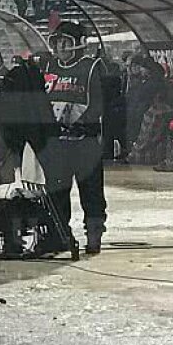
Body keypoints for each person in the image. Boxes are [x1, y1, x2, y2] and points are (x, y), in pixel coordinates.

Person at [42, 21, 109, 254]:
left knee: (91, 191)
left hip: (85, 143)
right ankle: (59, 234)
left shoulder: (92, 67)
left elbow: (100, 104)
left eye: (66, 42)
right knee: (57, 191)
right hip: (57, 143)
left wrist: (81, 125)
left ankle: (94, 235)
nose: (60, 47)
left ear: (79, 44)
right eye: (57, 42)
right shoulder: (49, 66)